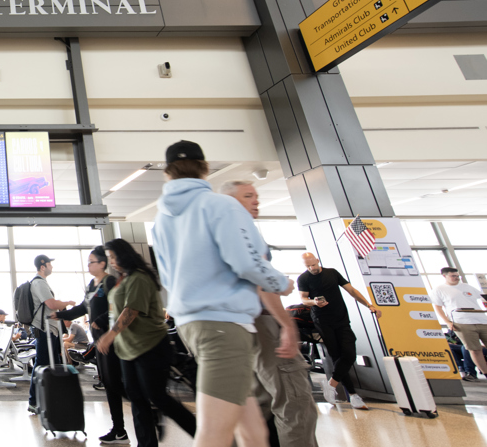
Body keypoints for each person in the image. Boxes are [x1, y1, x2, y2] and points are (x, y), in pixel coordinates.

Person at [150, 141, 293, 447]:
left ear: (168, 173)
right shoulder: (220, 205)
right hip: (222, 326)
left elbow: (166, 276)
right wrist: (281, 283)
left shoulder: (162, 219)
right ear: (205, 167)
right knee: (214, 433)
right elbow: (246, 261)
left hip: (192, 324)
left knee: (253, 429)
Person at [221, 180, 318, 447]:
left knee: (260, 403)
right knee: (294, 403)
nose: (256, 201)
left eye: (256, 196)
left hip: (237, 328)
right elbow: (260, 280)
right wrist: (286, 324)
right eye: (248, 196)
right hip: (262, 323)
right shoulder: (243, 231)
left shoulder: (216, 233)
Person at [97, 239, 197, 447]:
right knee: (137, 399)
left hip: (150, 346)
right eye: (109, 259)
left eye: (114, 257)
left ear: (125, 255)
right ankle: (146, 444)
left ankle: (202, 434)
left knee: (158, 397)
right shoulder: (123, 280)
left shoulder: (140, 278)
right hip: (128, 350)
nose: (112, 262)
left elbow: (131, 311)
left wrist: (110, 335)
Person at [55, 244, 128, 444]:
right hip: (98, 343)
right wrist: (59, 314)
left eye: (91, 262)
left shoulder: (110, 282)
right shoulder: (91, 285)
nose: (88, 265)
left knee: (115, 384)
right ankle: (119, 430)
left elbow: (118, 308)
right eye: (87, 262)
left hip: (111, 340)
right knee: (110, 385)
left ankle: (143, 406)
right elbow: (82, 308)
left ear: (102, 263)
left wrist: (101, 320)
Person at [297, 252, 380, 409]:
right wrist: (314, 302)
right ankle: (354, 396)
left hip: (341, 319)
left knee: (349, 354)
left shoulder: (332, 273)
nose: (311, 268)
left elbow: (352, 291)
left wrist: (369, 305)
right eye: (307, 266)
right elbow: (303, 299)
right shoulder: (304, 278)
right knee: (337, 357)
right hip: (322, 321)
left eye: (313, 264)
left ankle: (331, 384)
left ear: (317, 260)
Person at [26, 254, 77, 414]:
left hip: (50, 329)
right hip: (44, 329)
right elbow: (51, 303)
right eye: (49, 264)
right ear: (43, 266)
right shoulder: (39, 283)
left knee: (50, 365)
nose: (52, 267)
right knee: (41, 364)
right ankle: (34, 401)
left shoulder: (42, 283)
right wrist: (67, 303)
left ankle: (48, 399)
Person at [433, 266, 487, 381]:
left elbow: (483, 298)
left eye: (458, 276)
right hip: (461, 322)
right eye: (453, 276)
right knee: (474, 349)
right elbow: (438, 307)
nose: (456, 278)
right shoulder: (440, 289)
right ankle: (485, 372)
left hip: (481, 320)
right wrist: (447, 322)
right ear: (445, 276)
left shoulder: (467, 287)